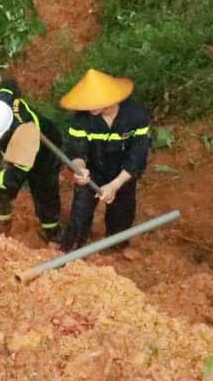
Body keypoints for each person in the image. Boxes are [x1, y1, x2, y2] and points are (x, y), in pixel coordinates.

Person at [60, 69, 151, 251]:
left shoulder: (136, 116)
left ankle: (116, 250)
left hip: (123, 173)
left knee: (121, 216)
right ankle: (73, 249)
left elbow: (137, 156)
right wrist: (80, 169)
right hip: (92, 171)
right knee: (80, 212)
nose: (88, 106)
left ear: (111, 100)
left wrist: (115, 185)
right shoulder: (81, 120)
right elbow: (77, 150)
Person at [0, 81, 64, 243]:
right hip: (18, 141)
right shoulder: (0, 105)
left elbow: (13, 178)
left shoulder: (25, 132)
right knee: (0, 186)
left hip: (45, 152)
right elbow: (10, 85)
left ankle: (53, 233)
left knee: (44, 190)